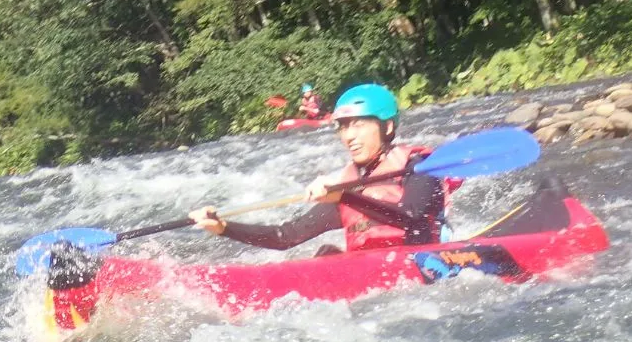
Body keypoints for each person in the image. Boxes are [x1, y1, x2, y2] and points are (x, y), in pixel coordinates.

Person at [189, 84, 460, 255]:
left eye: (359, 125)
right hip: (376, 281)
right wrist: (224, 228)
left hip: (422, 265)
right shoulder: (351, 185)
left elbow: (411, 218)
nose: (349, 136)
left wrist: (344, 197)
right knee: (325, 254)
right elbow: (286, 236)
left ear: (387, 127)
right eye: (343, 126)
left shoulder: (419, 166)